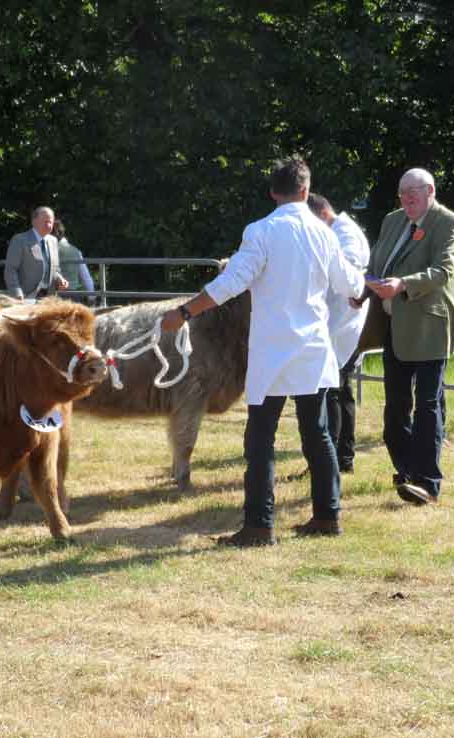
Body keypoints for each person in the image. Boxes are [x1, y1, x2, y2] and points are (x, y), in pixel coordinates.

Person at [161, 157, 371, 546]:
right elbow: (349, 281)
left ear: (273, 192)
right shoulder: (325, 233)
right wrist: (362, 291)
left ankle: (259, 524)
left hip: (273, 350)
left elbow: (232, 282)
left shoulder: (260, 231)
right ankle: (328, 516)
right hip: (312, 347)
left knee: (260, 438)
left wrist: (184, 311)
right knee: (318, 434)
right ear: (306, 191)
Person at [359, 168, 454, 505]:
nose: (406, 198)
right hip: (394, 326)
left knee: (428, 407)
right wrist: (361, 292)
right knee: (395, 412)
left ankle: (428, 483)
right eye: (402, 192)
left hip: (430, 327)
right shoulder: (393, 221)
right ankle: (406, 472)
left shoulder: (448, 223)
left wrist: (402, 284)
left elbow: (444, 270)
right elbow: (376, 264)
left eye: (413, 192)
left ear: (430, 190)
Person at [307, 193, 370, 473]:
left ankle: (333, 460)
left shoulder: (345, 234)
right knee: (339, 391)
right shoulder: (338, 231)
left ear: (322, 214)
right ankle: (340, 459)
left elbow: (347, 275)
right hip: (337, 323)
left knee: (334, 391)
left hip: (345, 324)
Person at [4, 206, 69, 300]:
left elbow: (55, 269)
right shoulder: (20, 240)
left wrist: (60, 279)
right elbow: (10, 270)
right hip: (25, 297)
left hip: (49, 298)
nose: (49, 225)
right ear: (34, 222)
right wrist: (16, 292)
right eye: (45, 222)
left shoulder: (53, 241)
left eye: (50, 222)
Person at [53, 219, 96, 304]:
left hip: (55, 297)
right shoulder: (76, 251)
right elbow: (85, 277)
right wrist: (92, 297)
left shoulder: (50, 250)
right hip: (74, 296)